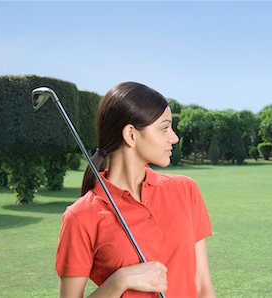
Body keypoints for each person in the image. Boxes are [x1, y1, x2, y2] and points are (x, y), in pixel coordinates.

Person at [55, 82, 215, 298]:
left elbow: (203, 286)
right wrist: (120, 281)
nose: (174, 137)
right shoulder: (80, 217)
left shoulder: (186, 190)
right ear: (131, 134)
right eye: (164, 128)